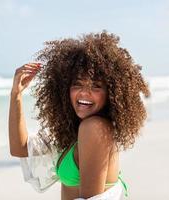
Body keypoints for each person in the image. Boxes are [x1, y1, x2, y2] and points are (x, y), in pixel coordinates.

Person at [9, 31, 150, 200]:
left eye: (96, 86)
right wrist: (16, 95)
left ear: (111, 93)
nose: (84, 93)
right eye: (77, 84)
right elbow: (20, 148)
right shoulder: (73, 131)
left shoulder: (94, 128)